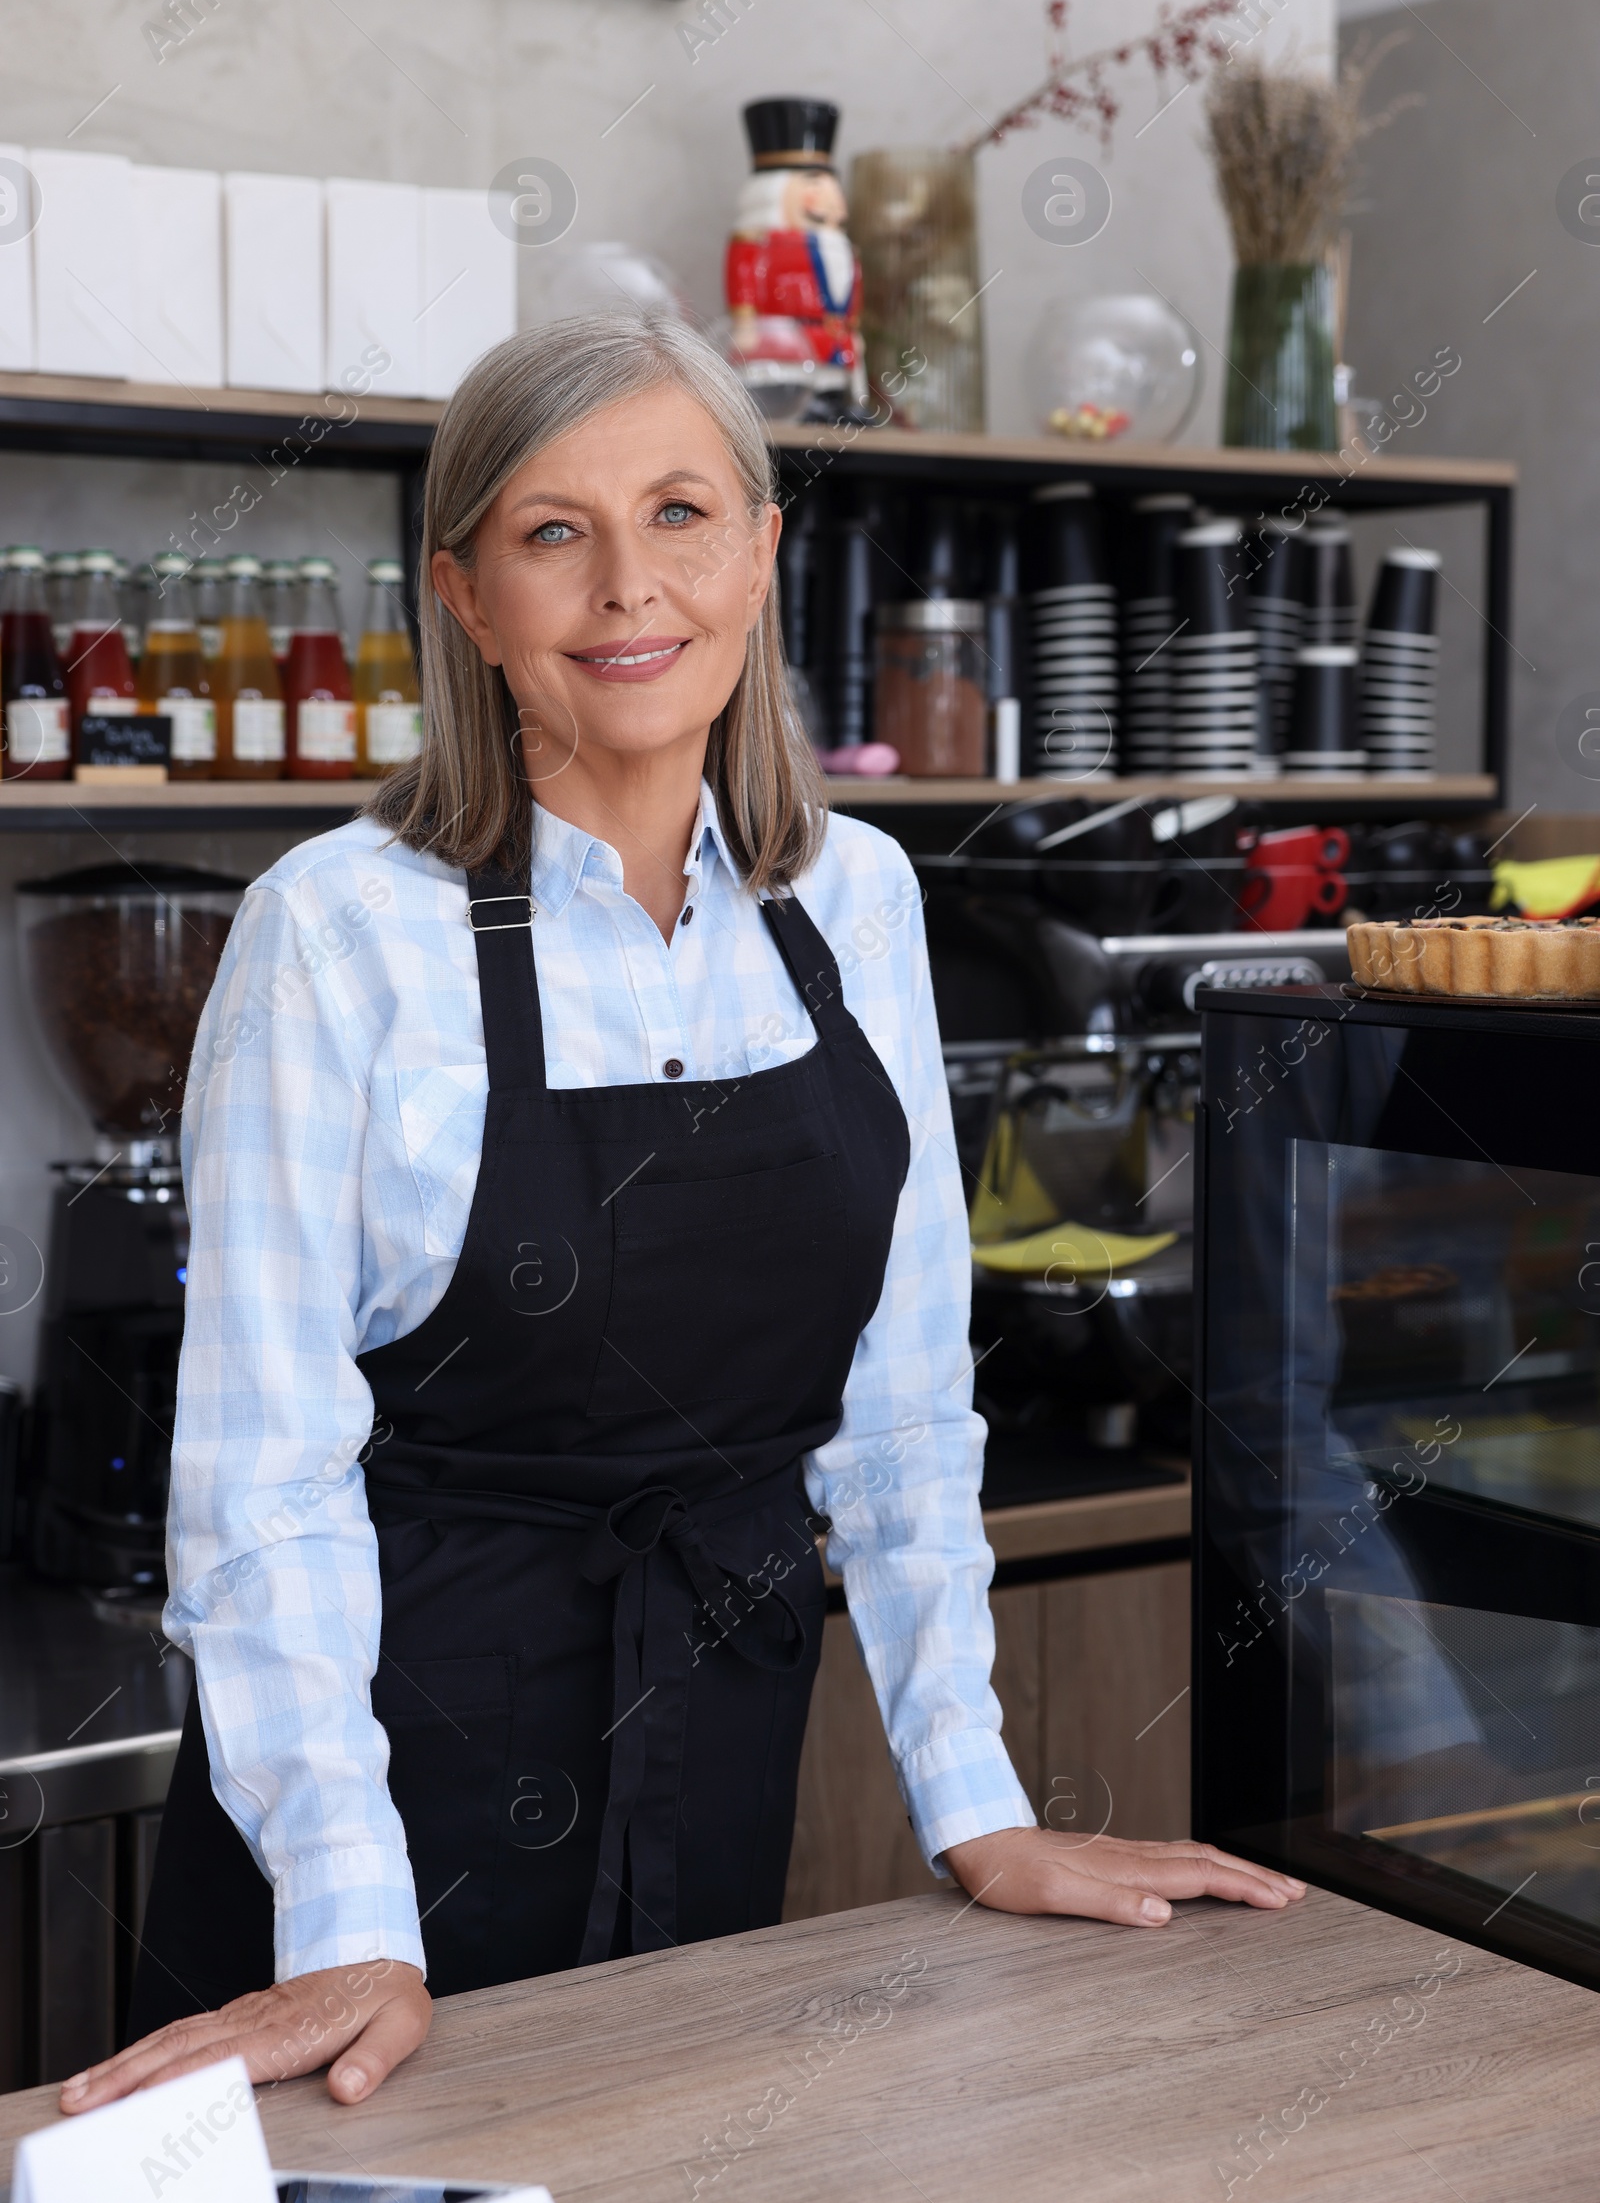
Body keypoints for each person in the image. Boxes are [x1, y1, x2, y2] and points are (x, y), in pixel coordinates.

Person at [63, 314, 1300, 2118]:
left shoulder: (857, 901)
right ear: (466, 597)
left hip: (719, 1744)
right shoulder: (335, 932)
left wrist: (980, 1807)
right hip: (382, 1801)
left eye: (680, 514)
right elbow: (263, 1486)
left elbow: (898, 1417)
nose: (628, 586)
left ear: (761, 553)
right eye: (553, 532)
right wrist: (347, 1916)